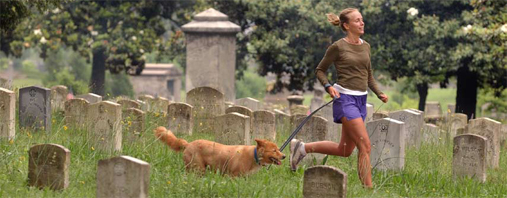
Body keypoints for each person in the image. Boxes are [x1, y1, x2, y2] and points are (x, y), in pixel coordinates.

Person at [289, 8, 388, 188]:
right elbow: (320, 70)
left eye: (362, 19)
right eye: (357, 20)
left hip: (361, 100)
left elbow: (368, 75)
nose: (362, 23)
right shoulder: (338, 47)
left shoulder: (366, 46)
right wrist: (328, 87)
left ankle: (301, 148)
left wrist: (378, 92)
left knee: (344, 149)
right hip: (345, 100)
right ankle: (369, 189)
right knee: (365, 145)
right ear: (346, 25)